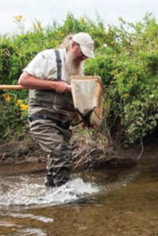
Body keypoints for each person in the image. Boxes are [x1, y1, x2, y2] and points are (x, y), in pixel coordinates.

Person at [18, 32, 95, 188]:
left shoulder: (79, 69)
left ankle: (51, 193)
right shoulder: (47, 57)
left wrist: (83, 117)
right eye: (82, 53)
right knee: (61, 153)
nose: (84, 58)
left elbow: (77, 98)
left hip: (63, 124)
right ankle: (64, 196)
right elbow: (24, 80)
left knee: (56, 159)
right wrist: (54, 85)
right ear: (73, 45)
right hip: (42, 119)